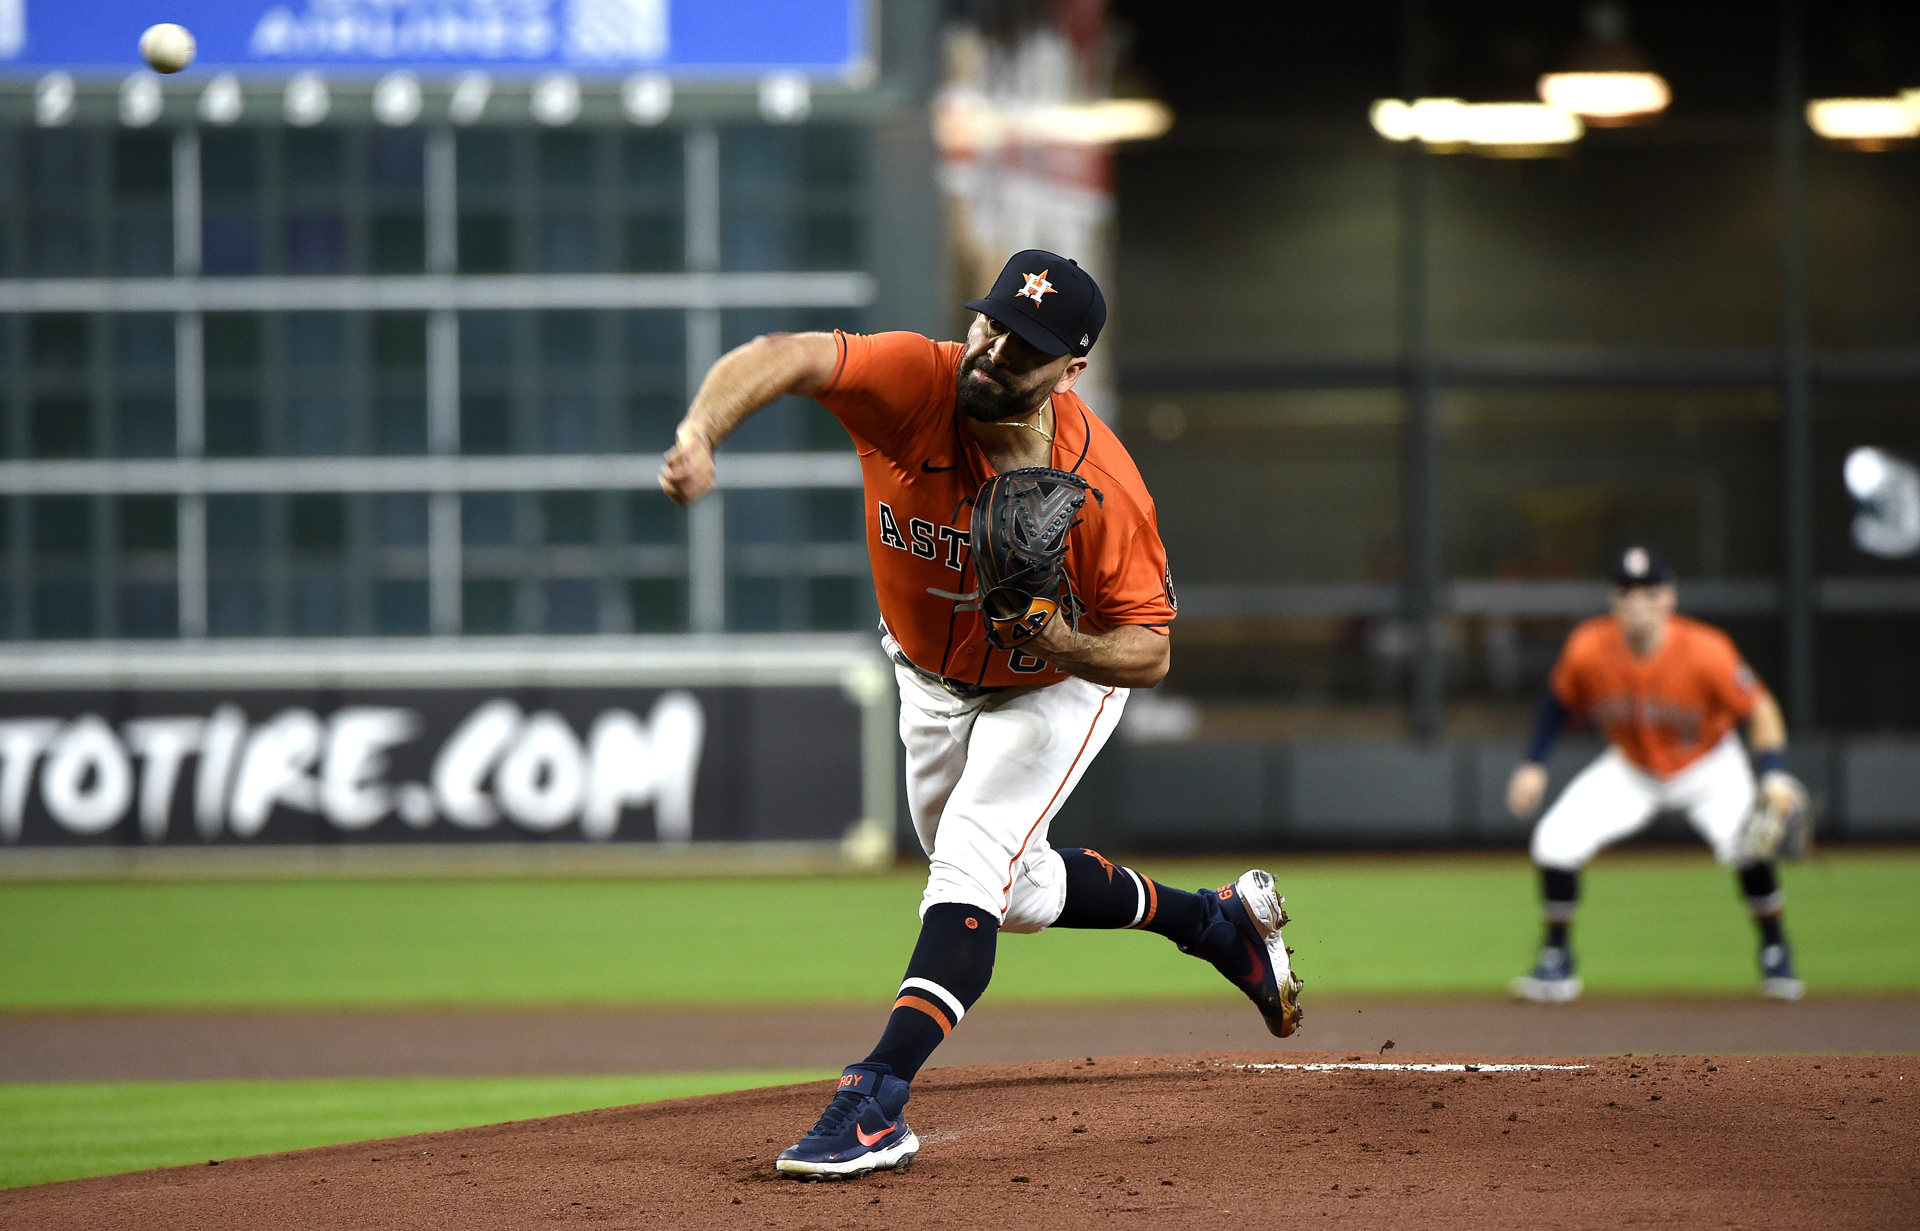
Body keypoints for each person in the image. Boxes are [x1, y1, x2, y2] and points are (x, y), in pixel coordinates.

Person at [658, 250, 1302, 1181]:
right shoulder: (916, 383)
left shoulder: (1102, 483)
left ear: (1071, 371)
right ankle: (1212, 922)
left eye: (1025, 347)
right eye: (990, 324)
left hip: (1053, 684)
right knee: (1014, 893)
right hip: (927, 678)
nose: (993, 352)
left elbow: (1151, 651)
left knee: (969, 857)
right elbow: (785, 355)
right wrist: (701, 431)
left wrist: (1062, 640)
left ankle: (875, 1096)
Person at [1506, 545, 1806, 1003]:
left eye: (1648, 591)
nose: (1637, 601)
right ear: (1613, 599)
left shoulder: (1707, 649)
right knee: (1554, 840)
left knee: (1751, 846)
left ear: (1670, 597)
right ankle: (1556, 960)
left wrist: (1772, 775)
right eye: (1626, 591)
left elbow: (1761, 709)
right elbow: (1557, 702)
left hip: (1708, 766)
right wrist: (1533, 763)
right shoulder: (1588, 646)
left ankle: (1775, 950)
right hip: (1633, 768)